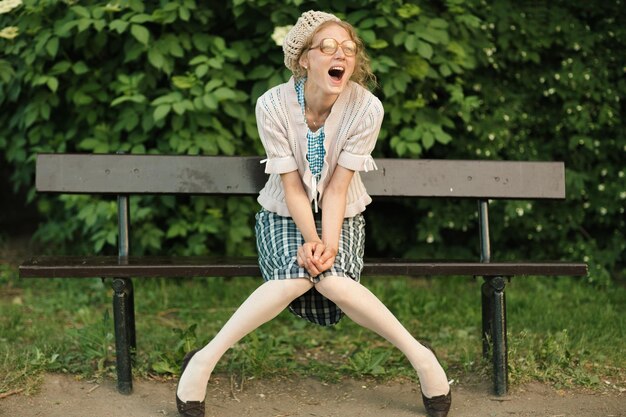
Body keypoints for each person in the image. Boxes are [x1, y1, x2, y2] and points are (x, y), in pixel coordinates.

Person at [176, 10, 452, 417]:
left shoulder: (366, 108)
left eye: (348, 48)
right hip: (283, 213)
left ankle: (422, 358)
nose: (340, 53)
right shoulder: (271, 105)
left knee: (333, 279)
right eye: (327, 46)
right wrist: (309, 238)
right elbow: (290, 186)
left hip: (343, 214)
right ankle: (204, 361)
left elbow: (339, 188)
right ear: (305, 59)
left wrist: (328, 243)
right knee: (294, 278)